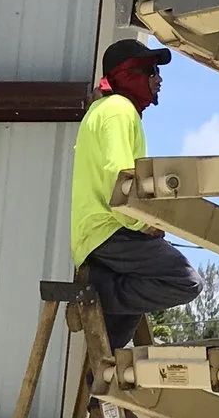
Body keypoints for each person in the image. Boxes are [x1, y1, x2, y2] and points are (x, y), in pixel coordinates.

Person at [72, 38, 201, 349]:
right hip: (112, 230)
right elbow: (119, 179)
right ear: (130, 74)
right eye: (151, 71)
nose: (159, 80)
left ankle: (101, 383)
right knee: (186, 281)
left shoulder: (104, 111)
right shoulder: (119, 110)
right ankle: (95, 295)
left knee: (115, 348)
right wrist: (143, 224)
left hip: (100, 233)